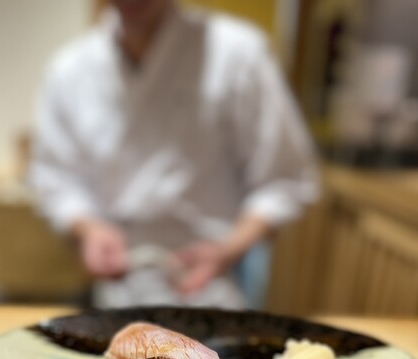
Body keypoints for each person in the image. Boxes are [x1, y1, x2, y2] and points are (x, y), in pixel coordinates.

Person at [29, 0, 318, 309]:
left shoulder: (238, 53)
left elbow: (285, 178)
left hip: (210, 290)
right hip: (115, 291)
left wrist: (230, 248)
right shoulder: (70, 69)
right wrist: (90, 229)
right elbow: (55, 178)